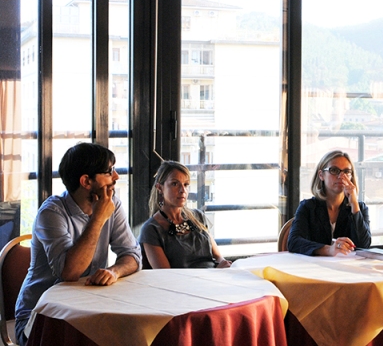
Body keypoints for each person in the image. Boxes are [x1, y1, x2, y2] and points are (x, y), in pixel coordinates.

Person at [14, 143, 141, 346]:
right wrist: (98, 219)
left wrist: (114, 271)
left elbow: (132, 255)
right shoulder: (51, 212)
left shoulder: (112, 204)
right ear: (86, 181)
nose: (116, 176)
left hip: (88, 310)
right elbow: (70, 272)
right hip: (42, 318)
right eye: (109, 171)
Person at [139, 160, 231, 268]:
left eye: (186, 184)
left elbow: (218, 257)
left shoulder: (198, 216)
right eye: (175, 184)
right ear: (160, 188)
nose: (182, 190)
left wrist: (224, 265)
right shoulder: (151, 229)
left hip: (215, 275)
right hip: (186, 279)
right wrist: (214, 272)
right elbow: (165, 274)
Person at [288, 150, 372, 256]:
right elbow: (294, 242)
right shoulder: (308, 207)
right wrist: (328, 250)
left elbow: (364, 245)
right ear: (321, 175)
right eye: (334, 170)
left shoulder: (359, 208)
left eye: (347, 171)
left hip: (347, 264)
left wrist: (354, 204)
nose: (341, 176)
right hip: (314, 265)